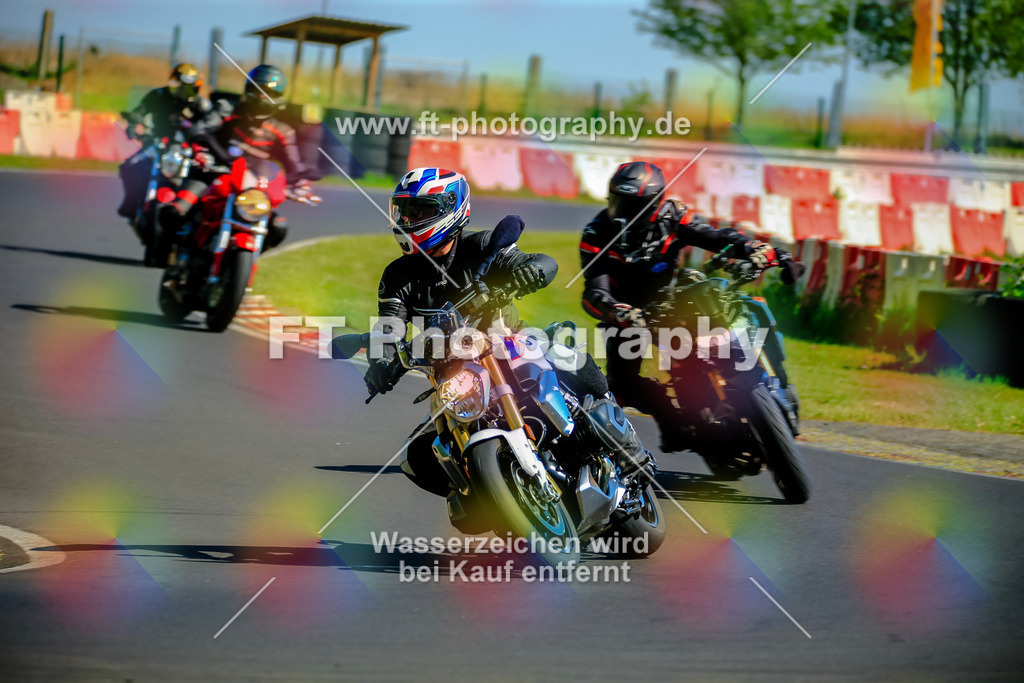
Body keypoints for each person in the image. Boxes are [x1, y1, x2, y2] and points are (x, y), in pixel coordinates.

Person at [363, 166, 652, 498]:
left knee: (566, 353)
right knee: (417, 456)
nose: (411, 220)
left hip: (509, 345)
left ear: (452, 209)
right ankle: (479, 496)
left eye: (422, 211)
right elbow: (388, 328)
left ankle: (625, 440)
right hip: (452, 373)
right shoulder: (397, 276)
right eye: (406, 211)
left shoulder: (483, 246)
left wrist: (529, 273)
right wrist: (383, 364)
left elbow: (543, 262)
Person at [579, 161, 803, 452]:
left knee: (745, 304)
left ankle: (777, 380)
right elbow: (594, 291)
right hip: (628, 313)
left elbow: (715, 237)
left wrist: (751, 248)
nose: (623, 212)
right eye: (618, 202)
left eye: (633, 205)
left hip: (675, 295)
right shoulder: (595, 233)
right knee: (622, 386)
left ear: (655, 203)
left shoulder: (674, 215)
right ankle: (675, 420)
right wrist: (617, 311)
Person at [158, 64, 318, 251]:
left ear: (278, 97)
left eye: (269, 93)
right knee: (176, 211)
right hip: (213, 173)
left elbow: (294, 165)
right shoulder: (226, 109)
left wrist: (302, 184)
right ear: (249, 90)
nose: (262, 97)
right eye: (258, 91)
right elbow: (199, 130)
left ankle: (246, 259)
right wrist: (201, 151)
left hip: (253, 186)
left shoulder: (283, 131)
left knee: (278, 227)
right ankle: (172, 254)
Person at [116, 63, 211, 220]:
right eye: (181, 86)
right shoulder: (158, 95)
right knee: (130, 165)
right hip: (157, 142)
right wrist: (133, 126)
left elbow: (209, 126)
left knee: (204, 177)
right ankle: (131, 202)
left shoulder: (200, 104)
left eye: (189, 87)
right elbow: (139, 112)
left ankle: (195, 218)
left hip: (188, 149)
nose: (184, 91)